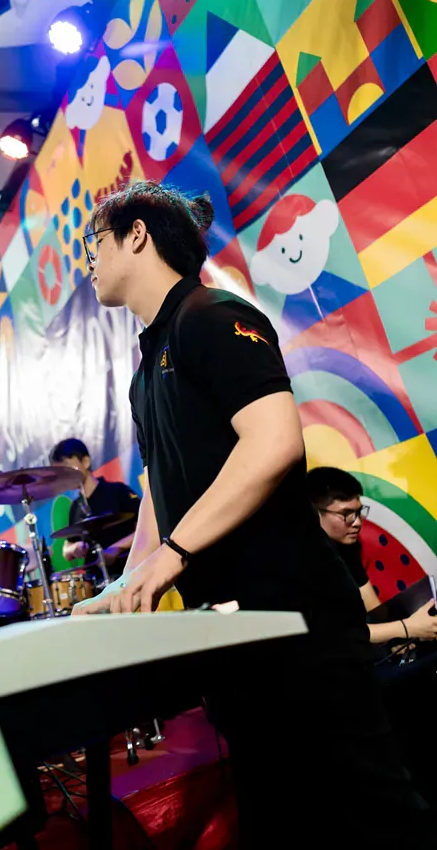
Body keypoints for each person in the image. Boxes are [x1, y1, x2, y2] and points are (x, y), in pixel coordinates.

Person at [72, 180, 432, 848]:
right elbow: (159, 488)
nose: (85, 261)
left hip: (298, 620)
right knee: (283, 817)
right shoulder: (144, 366)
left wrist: (173, 556)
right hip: (233, 639)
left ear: (137, 236)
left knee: (374, 811)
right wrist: (126, 584)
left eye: (92, 242)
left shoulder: (210, 317)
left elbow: (272, 442)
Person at [306, 466, 437, 645]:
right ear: (313, 513)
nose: (357, 522)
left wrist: (399, 638)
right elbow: (337, 634)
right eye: (346, 514)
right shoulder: (302, 563)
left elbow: (374, 609)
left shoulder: (346, 548)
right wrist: (407, 627)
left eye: (358, 512)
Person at [49, 438, 139, 578]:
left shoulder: (117, 491)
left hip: (128, 572)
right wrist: (75, 548)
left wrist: (117, 548)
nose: (65, 475)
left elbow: (147, 527)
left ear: (86, 462)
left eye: (67, 467)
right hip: (95, 581)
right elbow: (66, 548)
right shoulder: (75, 507)